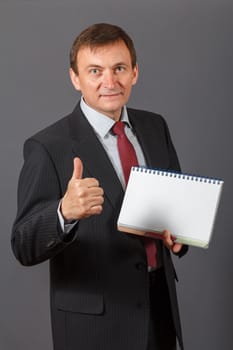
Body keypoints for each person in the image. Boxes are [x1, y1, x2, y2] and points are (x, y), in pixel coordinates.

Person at [11, 23, 188, 350]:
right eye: (95, 71)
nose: (110, 82)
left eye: (119, 68)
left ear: (134, 72)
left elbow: (173, 208)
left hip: (159, 311)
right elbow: (22, 244)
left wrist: (177, 236)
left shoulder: (154, 126)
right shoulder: (48, 146)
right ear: (75, 79)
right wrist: (63, 212)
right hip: (94, 326)